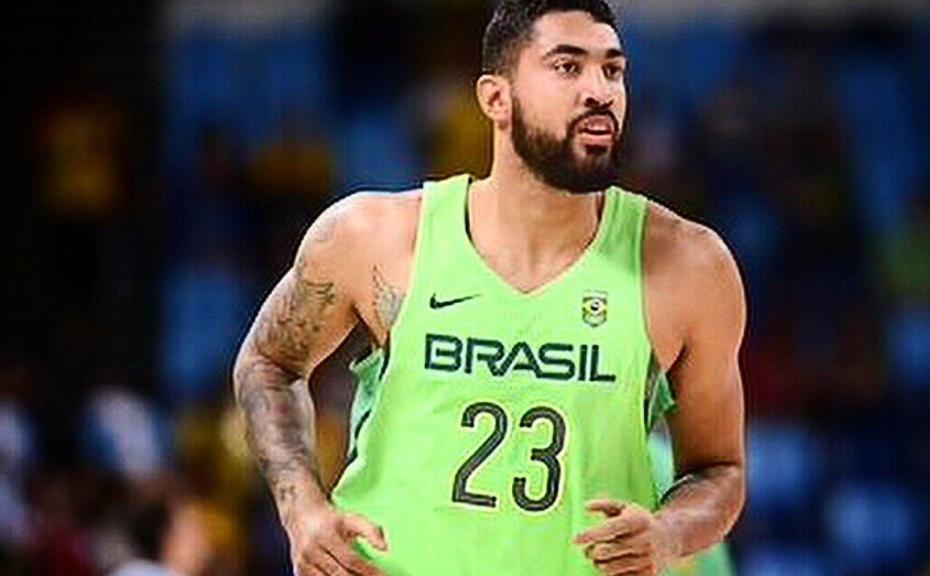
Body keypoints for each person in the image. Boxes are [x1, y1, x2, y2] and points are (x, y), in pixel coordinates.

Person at [232, 1, 747, 574]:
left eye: (613, 70)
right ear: (495, 99)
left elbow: (719, 471)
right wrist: (301, 510)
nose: (600, 90)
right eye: (567, 67)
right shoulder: (374, 237)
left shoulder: (690, 266)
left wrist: (671, 534)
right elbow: (268, 363)